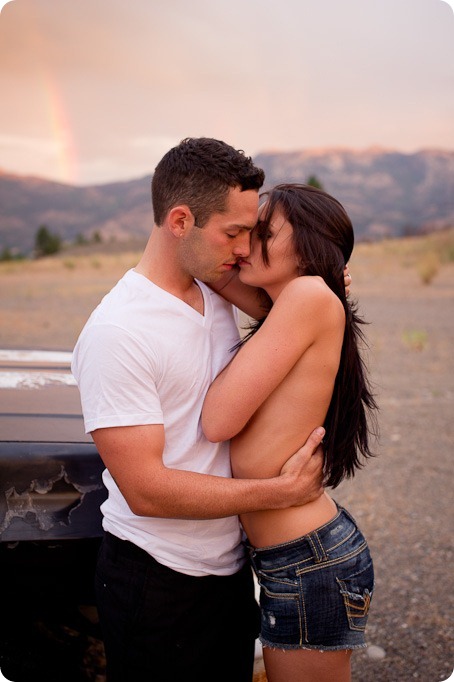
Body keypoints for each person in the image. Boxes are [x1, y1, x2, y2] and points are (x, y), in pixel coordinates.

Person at [72, 138, 331, 682]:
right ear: (180, 220)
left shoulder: (216, 287)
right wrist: (278, 493)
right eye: (233, 233)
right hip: (158, 581)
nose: (243, 248)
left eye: (251, 233)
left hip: (230, 570)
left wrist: (322, 281)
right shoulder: (118, 332)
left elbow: (296, 311)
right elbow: (144, 489)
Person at [202, 183, 378, 682]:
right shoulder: (301, 301)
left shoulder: (306, 295)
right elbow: (212, 273)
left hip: (309, 561)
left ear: (306, 244)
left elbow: (217, 421)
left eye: (263, 231)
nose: (246, 244)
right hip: (296, 556)